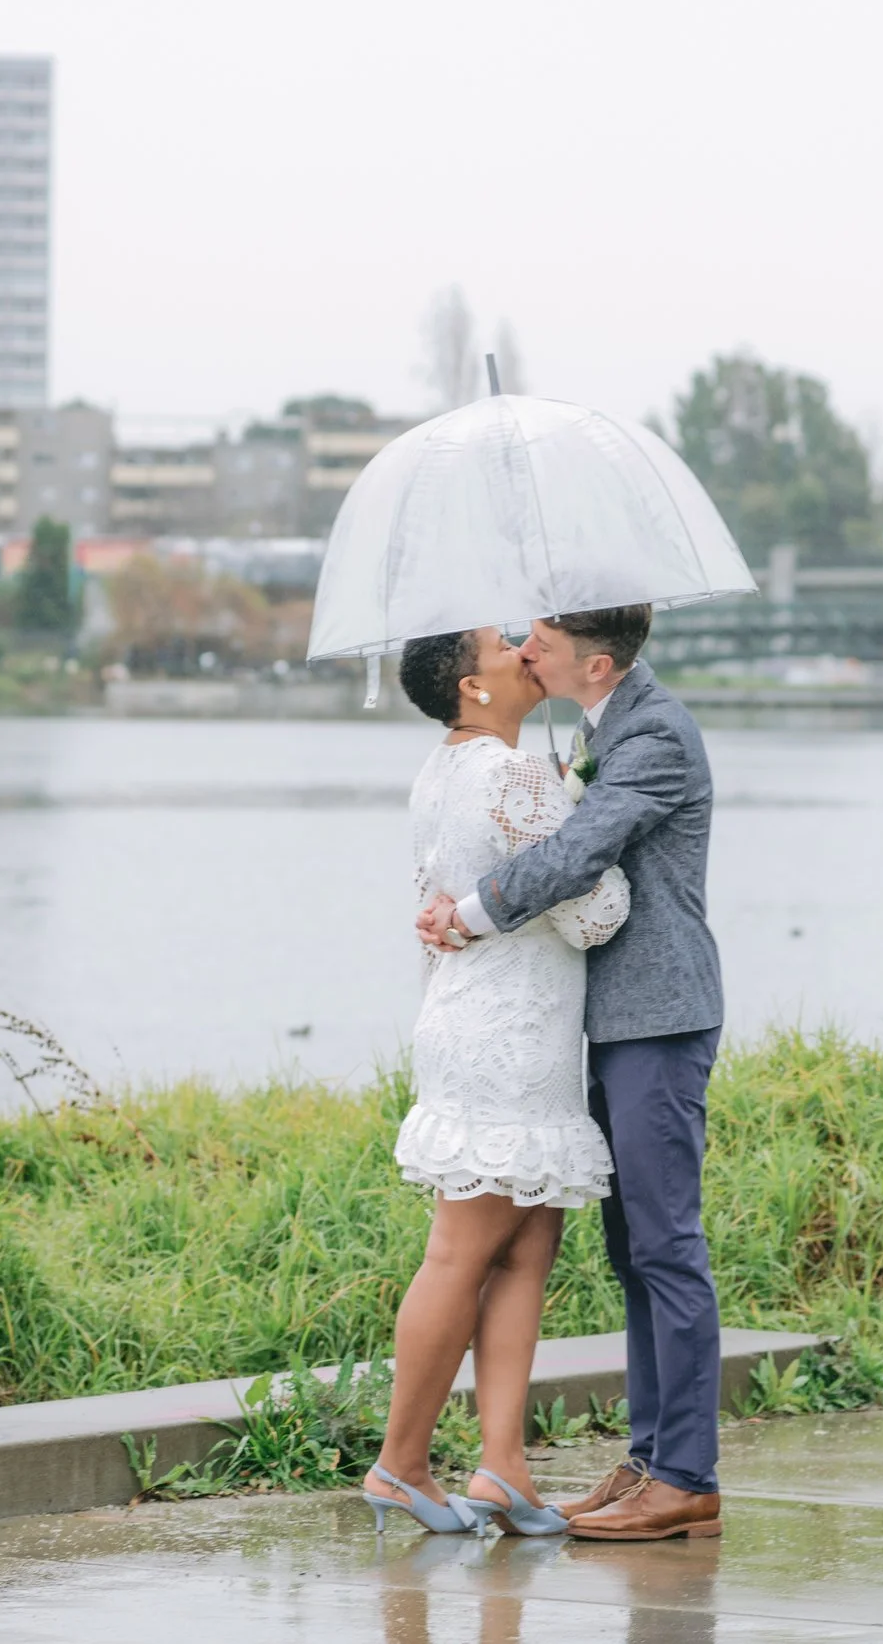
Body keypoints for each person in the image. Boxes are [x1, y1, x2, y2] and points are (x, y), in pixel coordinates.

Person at [418, 604, 727, 1542]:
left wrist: (471, 911)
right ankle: (647, 1459)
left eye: (541, 641)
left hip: (659, 1019)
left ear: (594, 661)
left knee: (666, 1246)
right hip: (608, 1023)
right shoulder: (600, 725)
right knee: (631, 1251)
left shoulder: (658, 734)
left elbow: (583, 852)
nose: (524, 647)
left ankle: (687, 1475)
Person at [363, 625, 628, 1539]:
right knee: (463, 1250)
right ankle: (401, 1465)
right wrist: (588, 815)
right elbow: (595, 914)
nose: (524, 649)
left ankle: (502, 1465)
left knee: (525, 1246)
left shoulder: (441, 769)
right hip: (507, 1036)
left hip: (486, 1022)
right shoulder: (514, 775)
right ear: (472, 685)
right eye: (501, 644)